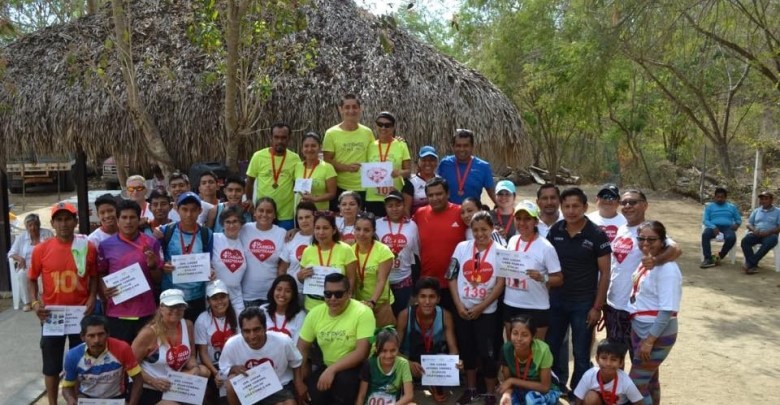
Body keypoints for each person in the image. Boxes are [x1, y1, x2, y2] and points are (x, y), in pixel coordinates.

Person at [29, 202, 98, 405]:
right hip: (52, 316)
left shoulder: (87, 247)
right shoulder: (41, 250)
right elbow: (31, 278)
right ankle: (52, 402)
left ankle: (75, 400)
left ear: (75, 221)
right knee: (51, 366)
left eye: (68, 219)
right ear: (52, 223)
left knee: (78, 362)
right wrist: (34, 303)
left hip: (81, 314)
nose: (64, 223)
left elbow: (94, 275)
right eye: (59, 219)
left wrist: (93, 296)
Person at [545, 187, 611, 396]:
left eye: (576, 206)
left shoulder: (597, 234)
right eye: (567, 206)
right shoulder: (555, 231)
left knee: (581, 352)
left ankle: (578, 393)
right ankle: (556, 387)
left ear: (585, 207)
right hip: (556, 301)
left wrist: (596, 307)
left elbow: (605, 274)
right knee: (552, 347)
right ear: (561, 207)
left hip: (583, 304)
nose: (571, 211)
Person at [605, 190, 680, 354]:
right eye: (623, 203)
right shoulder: (620, 230)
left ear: (645, 205)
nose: (627, 206)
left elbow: (676, 249)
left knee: (640, 358)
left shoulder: (649, 232)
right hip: (614, 305)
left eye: (633, 202)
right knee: (614, 358)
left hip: (637, 311)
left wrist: (655, 261)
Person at [447, 211, 506, 405]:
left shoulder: (500, 250)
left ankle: (489, 393)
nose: (480, 234)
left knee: (487, 353)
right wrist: (458, 305)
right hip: (463, 309)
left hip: (487, 312)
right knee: (468, 350)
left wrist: (481, 307)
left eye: (484, 229)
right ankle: (471, 389)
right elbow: (452, 277)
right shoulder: (461, 247)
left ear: (492, 229)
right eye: (475, 230)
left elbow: (500, 284)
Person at [296, 273, 375, 405]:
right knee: (313, 391)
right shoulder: (315, 313)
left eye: (338, 294)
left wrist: (332, 370)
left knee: (343, 384)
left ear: (349, 293)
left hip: (357, 367)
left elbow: (362, 352)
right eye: (328, 294)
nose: (332, 298)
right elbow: (302, 347)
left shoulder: (363, 312)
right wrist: (300, 380)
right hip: (328, 366)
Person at [628, 221, 682, 405]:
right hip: (641, 328)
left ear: (662, 241)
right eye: (641, 238)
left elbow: (667, 311)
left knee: (635, 386)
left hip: (655, 333)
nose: (645, 243)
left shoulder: (667, 269)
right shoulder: (647, 262)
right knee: (649, 381)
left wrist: (649, 341)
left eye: (652, 239)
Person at [98, 199, 164, 344]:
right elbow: (101, 273)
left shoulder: (151, 243)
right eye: (124, 217)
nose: (128, 222)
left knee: (146, 358)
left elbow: (158, 280)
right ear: (117, 220)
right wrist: (103, 287)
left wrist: (153, 266)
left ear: (139, 219)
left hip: (145, 311)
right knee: (120, 357)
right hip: (117, 312)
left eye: (132, 217)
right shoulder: (105, 246)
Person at [132, 289, 210, 404]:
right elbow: (130, 365)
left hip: (175, 383)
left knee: (203, 372)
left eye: (180, 306)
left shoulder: (187, 325)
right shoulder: (149, 333)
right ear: (161, 308)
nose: (176, 310)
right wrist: (153, 381)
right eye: (171, 306)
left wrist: (194, 367)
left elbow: (192, 354)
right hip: (151, 386)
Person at [504, 201, 563, 340]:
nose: (522, 223)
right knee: (513, 350)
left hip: (536, 306)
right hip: (511, 303)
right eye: (518, 218)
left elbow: (559, 279)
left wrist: (543, 278)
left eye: (527, 219)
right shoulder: (512, 240)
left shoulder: (545, 247)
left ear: (536, 221)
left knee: (536, 354)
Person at [220, 307, 303, 405]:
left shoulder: (283, 341)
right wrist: (233, 369)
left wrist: (298, 383)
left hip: (278, 385)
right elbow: (224, 368)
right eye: (246, 331)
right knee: (230, 383)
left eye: (256, 329)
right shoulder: (232, 344)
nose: (252, 336)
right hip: (250, 389)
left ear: (265, 328)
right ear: (241, 331)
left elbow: (296, 362)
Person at [396, 277, 460, 403]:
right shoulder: (405, 315)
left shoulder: (445, 315)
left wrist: (455, 363)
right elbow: (394, 351)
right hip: (410, 360)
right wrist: (407, 363)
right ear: (416, 299)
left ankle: (435, 385)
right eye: (423, 296)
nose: (427, 301)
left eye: (432, 297)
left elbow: (453, 350)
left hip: (434, 361)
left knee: (443, 392)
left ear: (438, 299)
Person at [61, 315, 143, 405]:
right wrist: (70, 399)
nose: (96, 340)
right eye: (91, 336)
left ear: (108, 334)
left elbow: (138, 380)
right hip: (86, 398)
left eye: (101, 334)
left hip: (116, 398)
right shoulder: (72, 355)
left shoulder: (123, 348)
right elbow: (67, 387)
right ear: (82, 337)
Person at [159, 191, 214, 322]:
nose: (189, 214)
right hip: (171, 296)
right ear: (177, 209)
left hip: (197, 296)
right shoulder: (165, 231)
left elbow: (209, 261)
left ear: (200, 211)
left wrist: (210, 271)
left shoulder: (207, 234)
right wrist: (162, 266)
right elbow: (156, 260)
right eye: (184, 209)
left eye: (193, 210)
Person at [413, 177, 467, 310]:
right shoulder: (419, 214)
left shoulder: (460, 212)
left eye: (439, 194)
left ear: (448, 194)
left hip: (455, 283)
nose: (435, 198)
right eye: (430, 195)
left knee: (454, 325)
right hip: (428, 284)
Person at [323, 94, 375, 209]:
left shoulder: (367, 132)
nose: (351, 111)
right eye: (347, 107)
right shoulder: (331, 133)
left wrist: (397, 140)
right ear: (340, 109)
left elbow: (375, 155)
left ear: (360, 109)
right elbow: (327, 161)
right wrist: (347, 168)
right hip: (341, 187)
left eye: (354, 107)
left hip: (365, 187)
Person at [246, 122, 302, 230]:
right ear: (271, 137)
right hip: (263, 213)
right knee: (264, 244)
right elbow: (250, 181)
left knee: (285, 243)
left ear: (289, 138)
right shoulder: (258, 156)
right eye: (276, 137)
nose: (279, 141)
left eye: (283, 138)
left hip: (285, 215)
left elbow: (297, 184)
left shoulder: (295, 159)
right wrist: (249, 200)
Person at [297, 212, 357, 310]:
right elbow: (304, 280)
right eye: (317, 228)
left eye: (325, 228)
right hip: (313, 306)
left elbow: (351, 279)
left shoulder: (346, 250)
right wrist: (299, 276)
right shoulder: (308, 251)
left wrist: (347, 298)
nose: (321, 232)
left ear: (333, 230)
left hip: (338, 306)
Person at [498, 316, 561, 405]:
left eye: (525, 335)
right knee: (508, 402)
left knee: (532, 399)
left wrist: (513, 380)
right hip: (519, 389)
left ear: (533, 336)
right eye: (515, 333)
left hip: (546, 391)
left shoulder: (543, 350)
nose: (519, 338)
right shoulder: (506, 349)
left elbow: (545, 387)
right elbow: (507, 381)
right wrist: (507, 393)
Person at [195, 280, 238, 404]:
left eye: (223, 297)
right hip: (212, 366)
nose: (220, 302)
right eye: (214, 298)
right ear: (208, 301)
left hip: (231, 365)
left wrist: (232, 369)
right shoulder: (202, 319)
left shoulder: (236, 315)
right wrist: (216, 373)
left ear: (228, 297)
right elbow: (202, 353)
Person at [377, 191, 420, 315]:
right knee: (383, 319)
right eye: (390, 206)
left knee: (402, 317)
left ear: (404, 205)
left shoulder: (412, 225)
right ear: (385, 207)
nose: (394, 209)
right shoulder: (378, 224)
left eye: (398, 205)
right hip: (382, 282)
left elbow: (416, 255)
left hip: (404, 281)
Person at [240, 197, 287, 307]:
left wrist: (296, 230)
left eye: (269, 211)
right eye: (261, 210)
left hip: (271, 295)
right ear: (255, 212)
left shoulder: (282, 233)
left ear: (275, 215)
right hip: (247, 295)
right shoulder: (244, 229)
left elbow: (284, 265)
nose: (264, 214)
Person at [352, 212, 397, 326]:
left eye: (366, 230)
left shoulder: (383, 251)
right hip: (358, 306)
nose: (361, 234)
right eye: (358, 229)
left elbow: (381, 280)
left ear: (373, 231)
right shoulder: (350, 250)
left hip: (379, 305)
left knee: (382, 341)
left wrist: (372, 302)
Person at [364, 111, 412, 217]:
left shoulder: (401, 145)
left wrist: (399, 172)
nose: (383, 128)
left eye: (387, 125)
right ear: (376, 126)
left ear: (393, 127)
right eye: (380, 124)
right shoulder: (370, 146)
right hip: (373, 197)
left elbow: (408, 171)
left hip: (393, 196)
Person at [355, 328, 416, 405]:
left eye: (393, 350)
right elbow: (361, 396)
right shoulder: (369, 364)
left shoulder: (403, 364)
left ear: (398, 348)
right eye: (384, 351)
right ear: (377, 349)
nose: (388, 355)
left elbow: (409, 395)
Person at [573, 340, 642, 405]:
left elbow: (639, 403)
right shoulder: (589, 376)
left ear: (621, 363)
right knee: (591, 397)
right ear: (597, 359)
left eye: (613, 359)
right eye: (603, 358)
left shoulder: (625, 381)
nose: (608, 363)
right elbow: (578, 400)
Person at [437, 129, 496, 205]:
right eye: (458, 146)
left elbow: (491, 192)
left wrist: (502, 208)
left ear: (472, 146)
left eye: (466, 146)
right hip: (449, 214)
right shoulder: (444, 164)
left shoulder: (484, 167)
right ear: (453, 147)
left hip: (472, 214)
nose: (462, 149)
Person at [8, 213, 53, 311]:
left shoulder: (48, 233)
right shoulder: (21, 237)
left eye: (36, 224)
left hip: (44, 266)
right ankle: (27, 302)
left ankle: (43, 300)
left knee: (45, 275)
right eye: (30, 225)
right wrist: (19, 258)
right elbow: (11, 253)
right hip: (27, 265)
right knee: (21, 274)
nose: (33, 227)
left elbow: (54, 249)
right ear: (26, 227)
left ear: (39, 224)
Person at [211, 205, 249, 314]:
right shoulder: (213, 238)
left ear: (241, 223)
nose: (231, 225)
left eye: (235, 221)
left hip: (236, 297)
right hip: (215, 297)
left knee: (239, 329)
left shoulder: (244, 241)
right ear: (222, 224)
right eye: (227, 222)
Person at [278, 202, 316, 298]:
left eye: (307, 217)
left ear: (315, 217)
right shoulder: (291, 238)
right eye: (300, 218)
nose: (304, 221)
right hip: (293, 292)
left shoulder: (322, 237)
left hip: (315, 293)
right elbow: (282, 270)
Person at [294, 132, 338, 211]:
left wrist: (314, 199)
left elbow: (332, 194)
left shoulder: (327, 168)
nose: (309, 149)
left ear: (320, 148)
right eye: (306, 146)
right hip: (301, 213)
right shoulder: (297, 166)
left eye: (313, 146)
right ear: (302, 149)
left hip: (319, 214)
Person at [700, 187, 741, 268]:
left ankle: (719, 256)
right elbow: (705, 220)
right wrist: (713, 226)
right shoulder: (710, 207)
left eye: (722, 197)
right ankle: (707, 259)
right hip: (713, 227)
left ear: (725, 198)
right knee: (705, 234)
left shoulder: (731, 207)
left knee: (731, 237)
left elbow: (738, 219)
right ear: (715, 197)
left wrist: (737, 224)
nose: (719, 199)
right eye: (717, 197)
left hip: (727, 228)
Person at [740, 190, 780, 274]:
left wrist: (768, 232)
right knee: (745, 241)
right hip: (756, 233)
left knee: (770, 241)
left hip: (770, 235)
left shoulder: (778, 211)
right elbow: (749, 223)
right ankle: (752, 265)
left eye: (766, 199)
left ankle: (750, 263)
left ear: (771, 200)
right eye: (762, 199)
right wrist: (754, 230)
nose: (763, 201)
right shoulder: (756, 211)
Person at [260, 274, 306, 344]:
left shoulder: (300, 315)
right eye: (279, 289)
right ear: (273, 291)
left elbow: (296, 347)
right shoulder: (262, 310)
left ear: (293, 294)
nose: (282, 294)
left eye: (287, 291)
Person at [409, 146, 439, 215]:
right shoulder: (410, 182)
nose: (427, 163)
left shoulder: (440, 180)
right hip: (416, 222)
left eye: (431, 160)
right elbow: (406, 210)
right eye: (424, 160)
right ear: (419, 162)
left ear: (436, 162)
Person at [492, 180, 518, 245]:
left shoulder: (520, 216)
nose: (503, 197)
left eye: (507, 194)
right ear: (495, 196)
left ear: (514, 197)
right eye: (500, 194)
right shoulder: (486, 216)